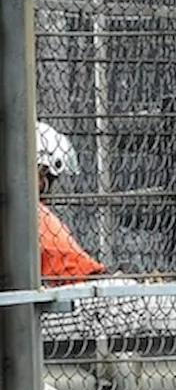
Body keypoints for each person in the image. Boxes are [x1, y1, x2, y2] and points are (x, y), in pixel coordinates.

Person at [36, 121, 108, 285]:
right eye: (50, 179)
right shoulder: (33, 216)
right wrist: (99, 279)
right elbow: (70, 265)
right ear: (41, 173)